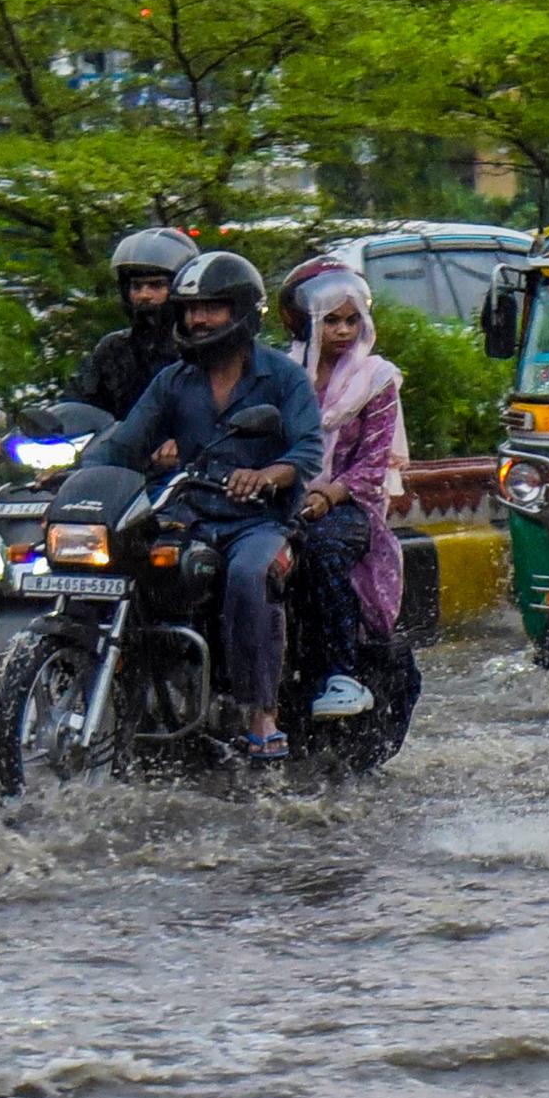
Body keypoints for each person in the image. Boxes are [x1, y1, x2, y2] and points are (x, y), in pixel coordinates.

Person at [81, 252, 327, 760]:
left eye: (211, 308)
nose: (197, 319)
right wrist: (71, 475)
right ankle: (136, 698)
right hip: (189, 516)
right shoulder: (174, 380)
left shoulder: (282, 377)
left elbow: (306, 452)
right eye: (190, 308)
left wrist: (265, 475)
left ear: (241, 311)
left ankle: (263, 716)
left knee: (247, 578)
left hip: (260, 522)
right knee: (130, 565)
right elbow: (124, 444)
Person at [284, 265, 407, 723]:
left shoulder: (377, 380)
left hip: (349, 508)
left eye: (350, 320)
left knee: (319, 547)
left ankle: (340, 675)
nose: (341, 331)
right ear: (307, 322)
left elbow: (373, 466)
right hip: (279, 497)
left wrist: (326, 497)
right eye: (330, 320)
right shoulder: (282, 373)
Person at [68, 226, 200, 425]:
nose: (144, 295)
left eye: (156, 285)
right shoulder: (113, 348)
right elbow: (78, 403)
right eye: (136, 286)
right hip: (118, 451)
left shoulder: (201, 348)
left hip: (192, 452)